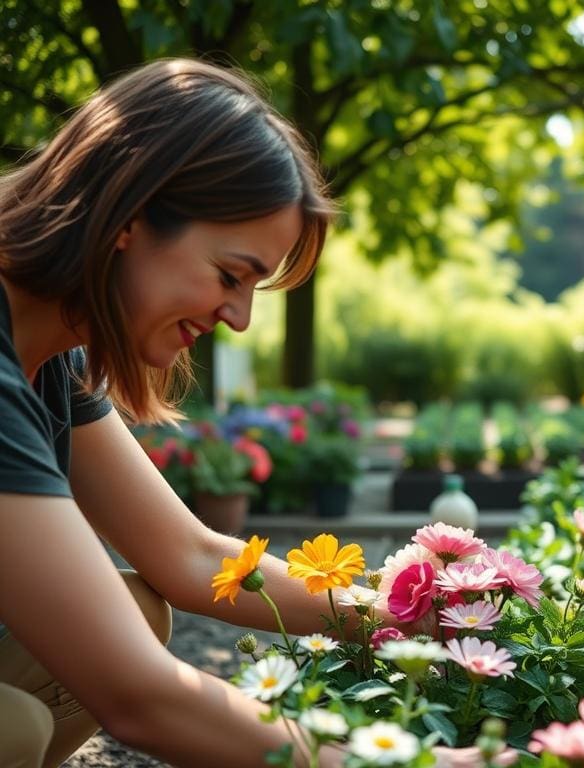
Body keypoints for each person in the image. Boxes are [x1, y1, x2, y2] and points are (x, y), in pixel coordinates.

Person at [0, 58, 348, 768]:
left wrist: (416, 609)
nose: (240, 318)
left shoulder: (51, 347)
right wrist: (398, 760)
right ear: (130, 218)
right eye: (231, 275)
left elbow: (190, 556)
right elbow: (140, 699)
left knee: (134, 610)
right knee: (14, 725)